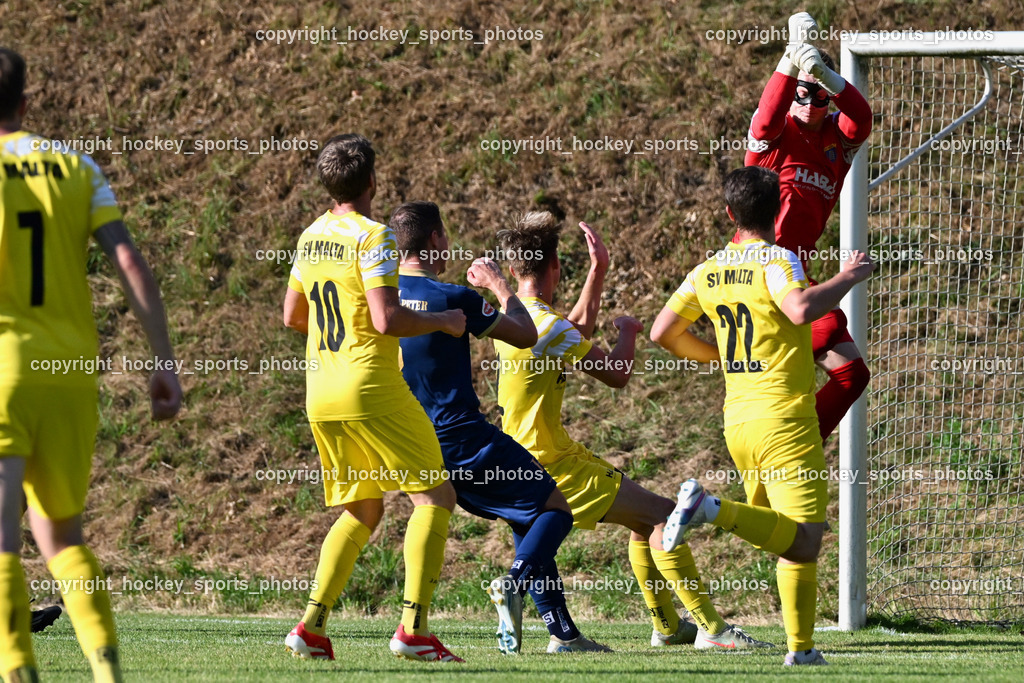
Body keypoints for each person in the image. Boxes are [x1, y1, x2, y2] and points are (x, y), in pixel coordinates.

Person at [494, 212, 770, 650]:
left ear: (512, 270)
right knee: (663, 515)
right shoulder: (546, 326)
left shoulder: (514, 317)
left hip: (526, 455)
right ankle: (713, 631)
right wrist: (628, 332)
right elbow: (617, 373)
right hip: (553, 464)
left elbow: (574, 332)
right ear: (555, 266)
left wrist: (598, 272)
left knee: (643, 525)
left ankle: (667, 627)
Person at [0, 47, 183, 682]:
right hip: (71, 374)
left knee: (1, 537)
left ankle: (18, 671)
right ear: (24, 102)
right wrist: (163, 360)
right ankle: (107, 673)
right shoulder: (74, 165)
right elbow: (129, 263)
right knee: (64, 537)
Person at [652, 165, 874, 665]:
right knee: (807, 538)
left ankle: (802, 652)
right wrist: (848, 277)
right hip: (784, 420)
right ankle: (710, 510)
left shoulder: (707, 269)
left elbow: (662, 331)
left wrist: (718, 358)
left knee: (786, 536)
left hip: (739, 422)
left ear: (730, 213)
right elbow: (798, 309)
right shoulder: (779, 260)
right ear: (779, 211)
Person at [392, 201, 609, 654]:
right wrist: (499, 286)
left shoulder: (380, 298)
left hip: (413, 438)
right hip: (464, 435)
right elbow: (526, 332)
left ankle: (563, 634)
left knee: (524, 516)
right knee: (556, 509)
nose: (448, 243)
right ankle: (512, 584)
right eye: (445, 234)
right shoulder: (454, 298)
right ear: (434, 238)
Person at [282, 136, 467, 663]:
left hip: (321, 391)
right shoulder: (375, 236)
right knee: (435, 496)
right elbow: (387, 319)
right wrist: (444, 321)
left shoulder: (311, 235)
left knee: (363, 508)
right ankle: (413, 630)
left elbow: (293, 315)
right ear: (372, 182)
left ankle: (312, 626)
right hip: (369, 386)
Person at [744, 11, 874, 441]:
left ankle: (800, 445)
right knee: (779, 390)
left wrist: (828, 78)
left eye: (821, 96)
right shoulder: (775, 135)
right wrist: (789, 58)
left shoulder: (837, 140)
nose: (810, 103)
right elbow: (764, 118)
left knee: (852, 373)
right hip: (760, 274)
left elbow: (862, 119)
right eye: (803, 92)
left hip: (797, 275)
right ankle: (780, 452)